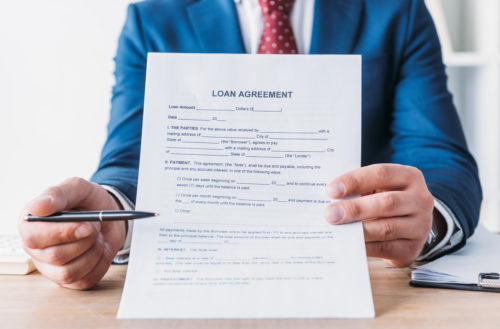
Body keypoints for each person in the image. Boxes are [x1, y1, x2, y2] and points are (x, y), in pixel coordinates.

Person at [18, 0, 482, 290]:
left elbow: (439, 155)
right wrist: (110, 214)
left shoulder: (397, 11)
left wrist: (427, 221)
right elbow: (129, 158)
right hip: (202, 276)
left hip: (352, 270)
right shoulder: (152, 19)